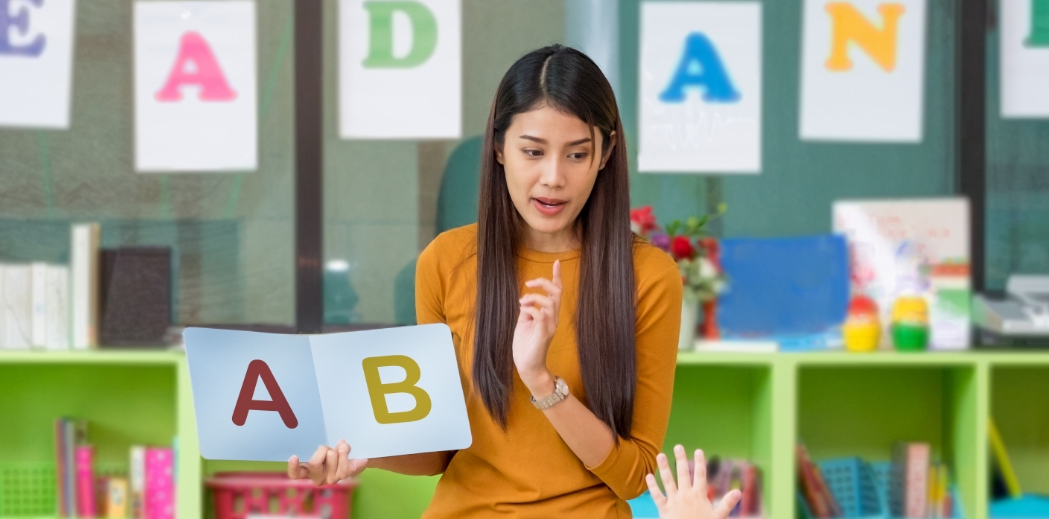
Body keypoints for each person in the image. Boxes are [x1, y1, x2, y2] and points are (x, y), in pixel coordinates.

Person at [288, 44, 740, 519]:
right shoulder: (446, 262)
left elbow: (633, 474)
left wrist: (541, 381)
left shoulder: (647, 277)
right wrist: (367, 454)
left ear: (605, 154)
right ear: (499, 148)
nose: (553, 178)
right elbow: (440, 450)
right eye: (533, 151)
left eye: (577, 154)